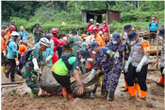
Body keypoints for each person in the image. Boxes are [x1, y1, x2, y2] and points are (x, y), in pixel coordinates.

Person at [125, 32, 150, 100]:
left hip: (142, 65)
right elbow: (131, 55)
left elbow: (146, 55)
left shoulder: (145, 42)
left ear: (137, 37)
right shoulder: (133, 43)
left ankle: (143, 95)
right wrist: (127, 64)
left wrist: (140, 64)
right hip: (133, 63)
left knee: (141, 80)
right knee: (128, 78)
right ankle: (132, 94)